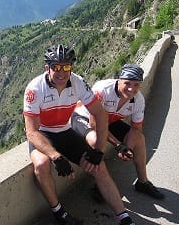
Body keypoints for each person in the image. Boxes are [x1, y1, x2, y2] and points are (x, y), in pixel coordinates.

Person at [23, 44, 135, 225]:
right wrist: (56, 157)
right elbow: (32, 132)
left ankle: (123, 216)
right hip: (42, 134)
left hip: (64, 131)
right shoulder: (34, 89)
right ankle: (59, 213)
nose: (61, 72)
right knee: (42, 165)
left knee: (99, 166)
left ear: (71, 68)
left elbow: (100, 113)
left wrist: (99, 150)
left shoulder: (78, 82)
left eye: (66, 67)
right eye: (56, 67)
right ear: (47, 68)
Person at [72, 63, 165, 200]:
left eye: (136, 85)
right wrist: (118, 145)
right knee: (97, 140)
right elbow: (95, 124)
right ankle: (101, 186)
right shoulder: (103, 89)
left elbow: (136, 129)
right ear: (119, 80)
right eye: (127, 83)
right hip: (83, 117)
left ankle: (143, 182)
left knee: (139, 139)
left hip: (108, 120)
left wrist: (129, 148)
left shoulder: (138, 100)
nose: (131, 89)